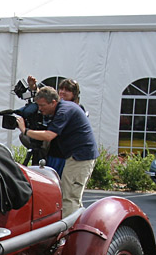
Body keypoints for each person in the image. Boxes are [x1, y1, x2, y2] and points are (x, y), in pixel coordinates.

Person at [16, 86, 97, 217]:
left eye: (42, 105)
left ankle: (67, 233)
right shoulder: (62, 107)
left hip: (80, 158)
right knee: (69, 196)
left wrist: (25, 131)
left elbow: (49, 135)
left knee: (69, 197)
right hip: (75, 156)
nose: (40, 109)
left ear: (53, 102)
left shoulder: (64, 110)